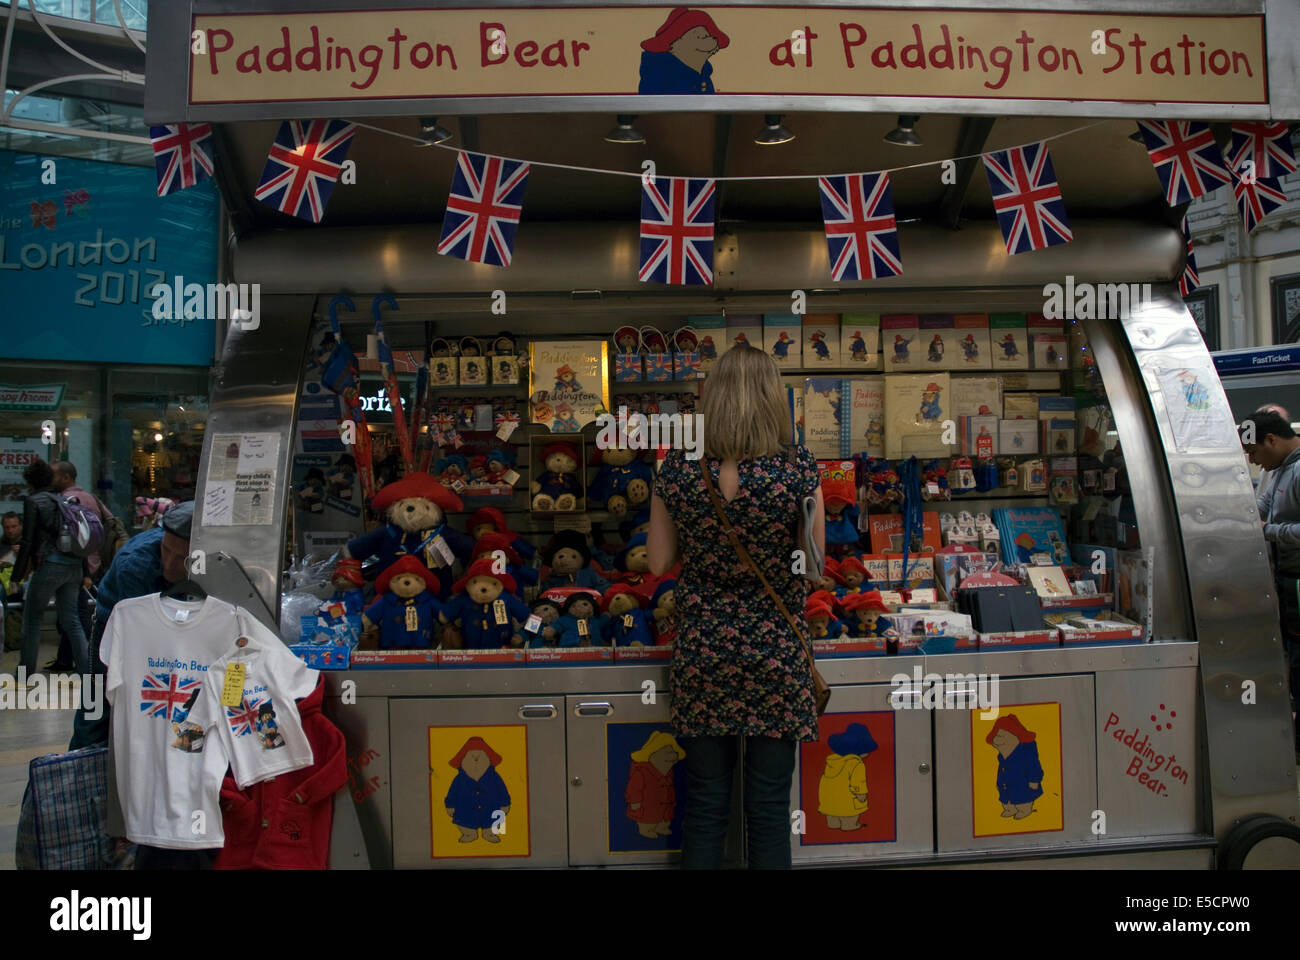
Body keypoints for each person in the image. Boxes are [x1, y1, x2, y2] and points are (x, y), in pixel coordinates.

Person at [647, 344, 826, 869]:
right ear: (774, 397)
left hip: (704, 651)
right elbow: (814, 566)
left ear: (711, 398)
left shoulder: (677, 469)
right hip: (777, 653)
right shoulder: (798, 467)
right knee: (769, 810)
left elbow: (657, 563)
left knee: (705, 805)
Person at [69, 500, 194, 751]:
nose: (170, 564)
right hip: (111, 626)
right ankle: (78, 768)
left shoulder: (213, 563)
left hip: (172, 629)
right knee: (96, 706)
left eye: (182, 558)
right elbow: (141, 638)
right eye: (166, 551)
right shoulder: (135, 564)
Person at [1241, 408, 1300, 750]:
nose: (1254, 462)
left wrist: (1271, 532)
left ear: (1272, 440)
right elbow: (1257, 509)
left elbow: (1268, 524)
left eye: (1254, 453)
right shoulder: (1280, 470)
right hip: (1286, 582)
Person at [10, 459, 89, 676]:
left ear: (30, 481)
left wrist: (16, 576)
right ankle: (85, 670)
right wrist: (85, 572)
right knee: (72, 620)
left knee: (32, 619)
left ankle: (25, 672)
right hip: (73, 566)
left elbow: (27, 542)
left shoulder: (34, 501)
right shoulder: (62, 500)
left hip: (49, 566)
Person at [47, 461, 126, 671]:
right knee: (73, 612)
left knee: (78, 615)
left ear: (65, 477)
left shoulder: (67, 501)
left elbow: (72, 540)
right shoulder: (91, 498)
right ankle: (66, 658)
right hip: (96, 562)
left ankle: (89, 660)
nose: (49, 479)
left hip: (80, 565)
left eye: (53, 475)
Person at [1, 511, 22, 652]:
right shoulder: (1, 545)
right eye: (7, 527)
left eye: (14, 526)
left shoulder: (29, 544)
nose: (10, 530)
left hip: (25, 585)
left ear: (21, 526)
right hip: (6, 586)